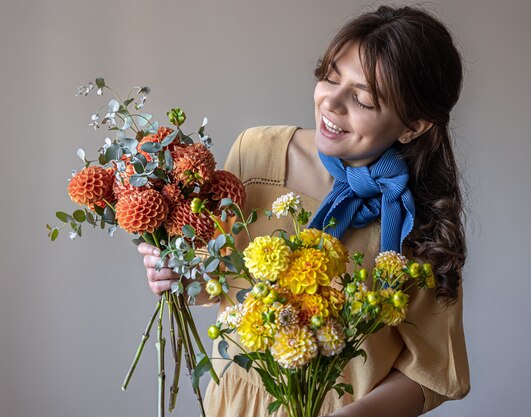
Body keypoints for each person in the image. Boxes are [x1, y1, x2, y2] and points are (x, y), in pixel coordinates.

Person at [139, 5, 470, 417]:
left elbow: (433, 372)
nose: (331, 102)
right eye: (330, 78)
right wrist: (178, 274)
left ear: (413, 126)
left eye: (363, 99)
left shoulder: (419, 217)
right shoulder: (256, 154)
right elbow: (217, 282)